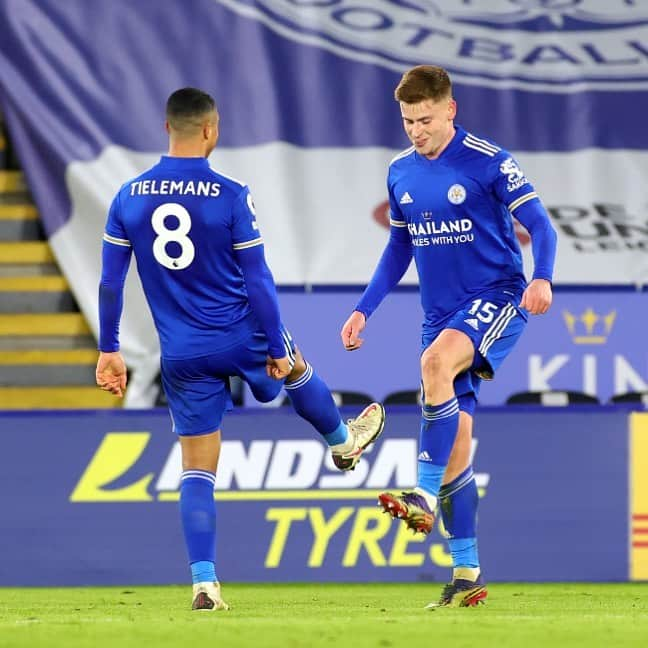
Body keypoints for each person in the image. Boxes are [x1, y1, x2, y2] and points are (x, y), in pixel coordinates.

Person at [95, 88, 385, 612]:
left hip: (181, 353)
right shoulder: (230, 193)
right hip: (239, 332)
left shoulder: (128, 196)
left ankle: (205, 584)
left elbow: (111, 284)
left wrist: (108, 350)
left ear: (168, 129)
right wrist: (274, 344)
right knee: (295, 364)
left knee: (197, 470)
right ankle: (342, 441)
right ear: (211, 129)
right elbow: (258, 278)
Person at [340, 65, 556, 608]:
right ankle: (466, 574)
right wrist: (364, 310)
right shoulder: (400, 172)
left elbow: (542, 225)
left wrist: (542, 276)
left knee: (435, 366)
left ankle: (421, 492)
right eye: (408, 120)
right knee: (456, 440)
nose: (416, 129)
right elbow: (398, 250)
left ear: (450, 109)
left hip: (498, 296)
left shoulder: (489, 161)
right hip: (438, 314)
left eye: (426, 118)